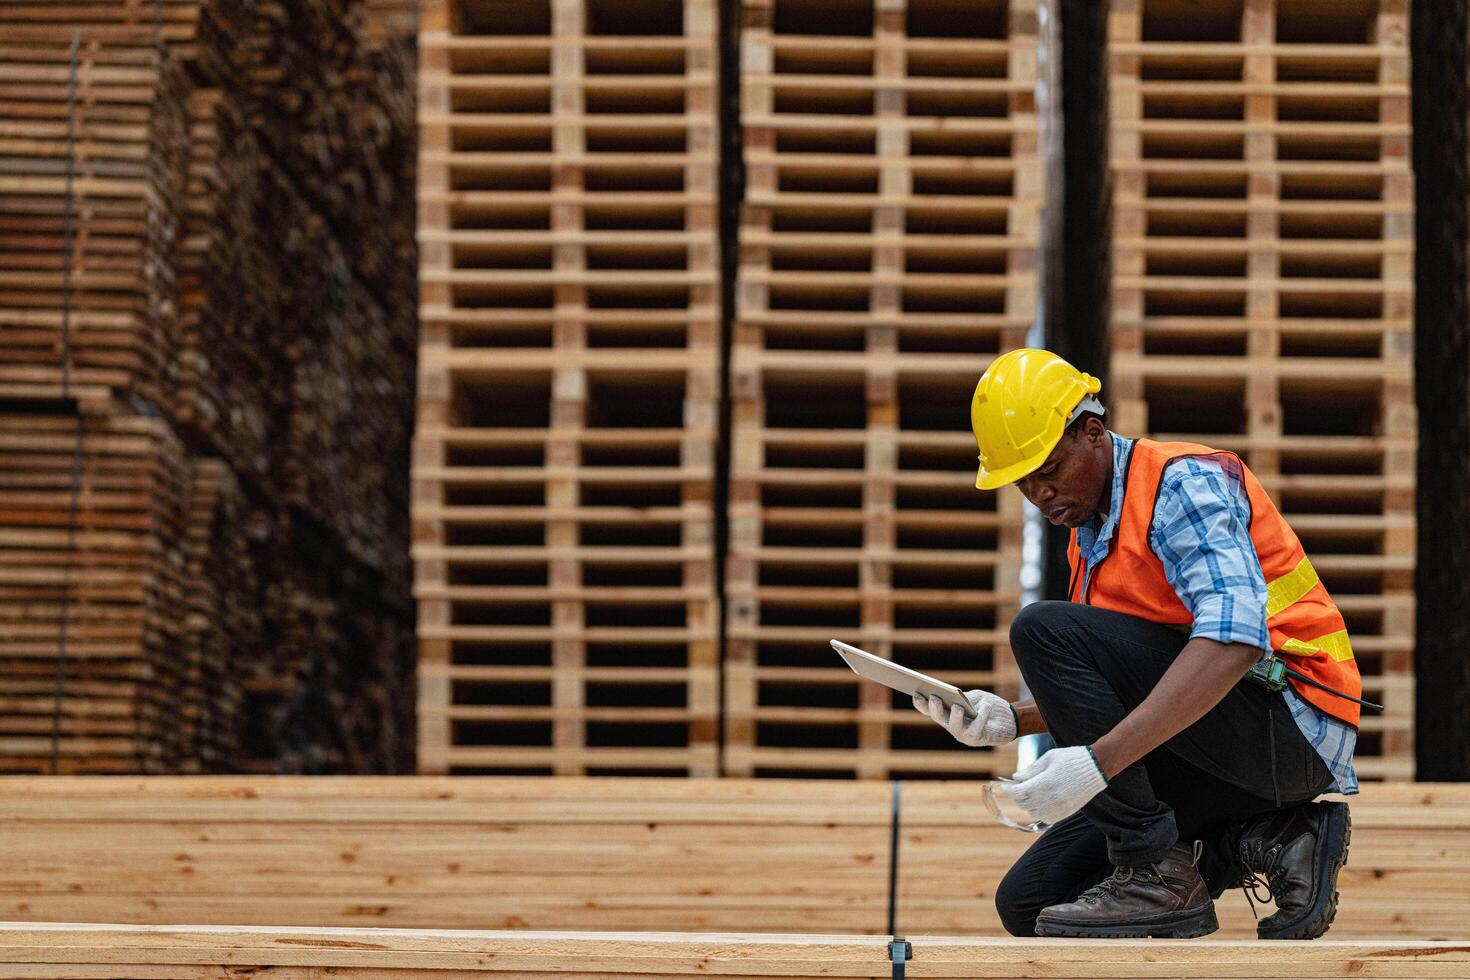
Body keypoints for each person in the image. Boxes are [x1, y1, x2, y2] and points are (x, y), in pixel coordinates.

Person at [912, 348, 1361, 940]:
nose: (1040, 494)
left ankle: (1154, 868)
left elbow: (1235, 641)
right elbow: (1125, 682)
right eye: (1024, 483)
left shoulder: (1179, 484)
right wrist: (1013, 721)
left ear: (1093, 433)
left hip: (1291, 726)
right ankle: (1270, 838)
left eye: (1048, 470)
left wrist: (1099, 764)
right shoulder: (1089, 540)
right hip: (1214, 739)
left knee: (1041, 629)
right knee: (1032, 902)